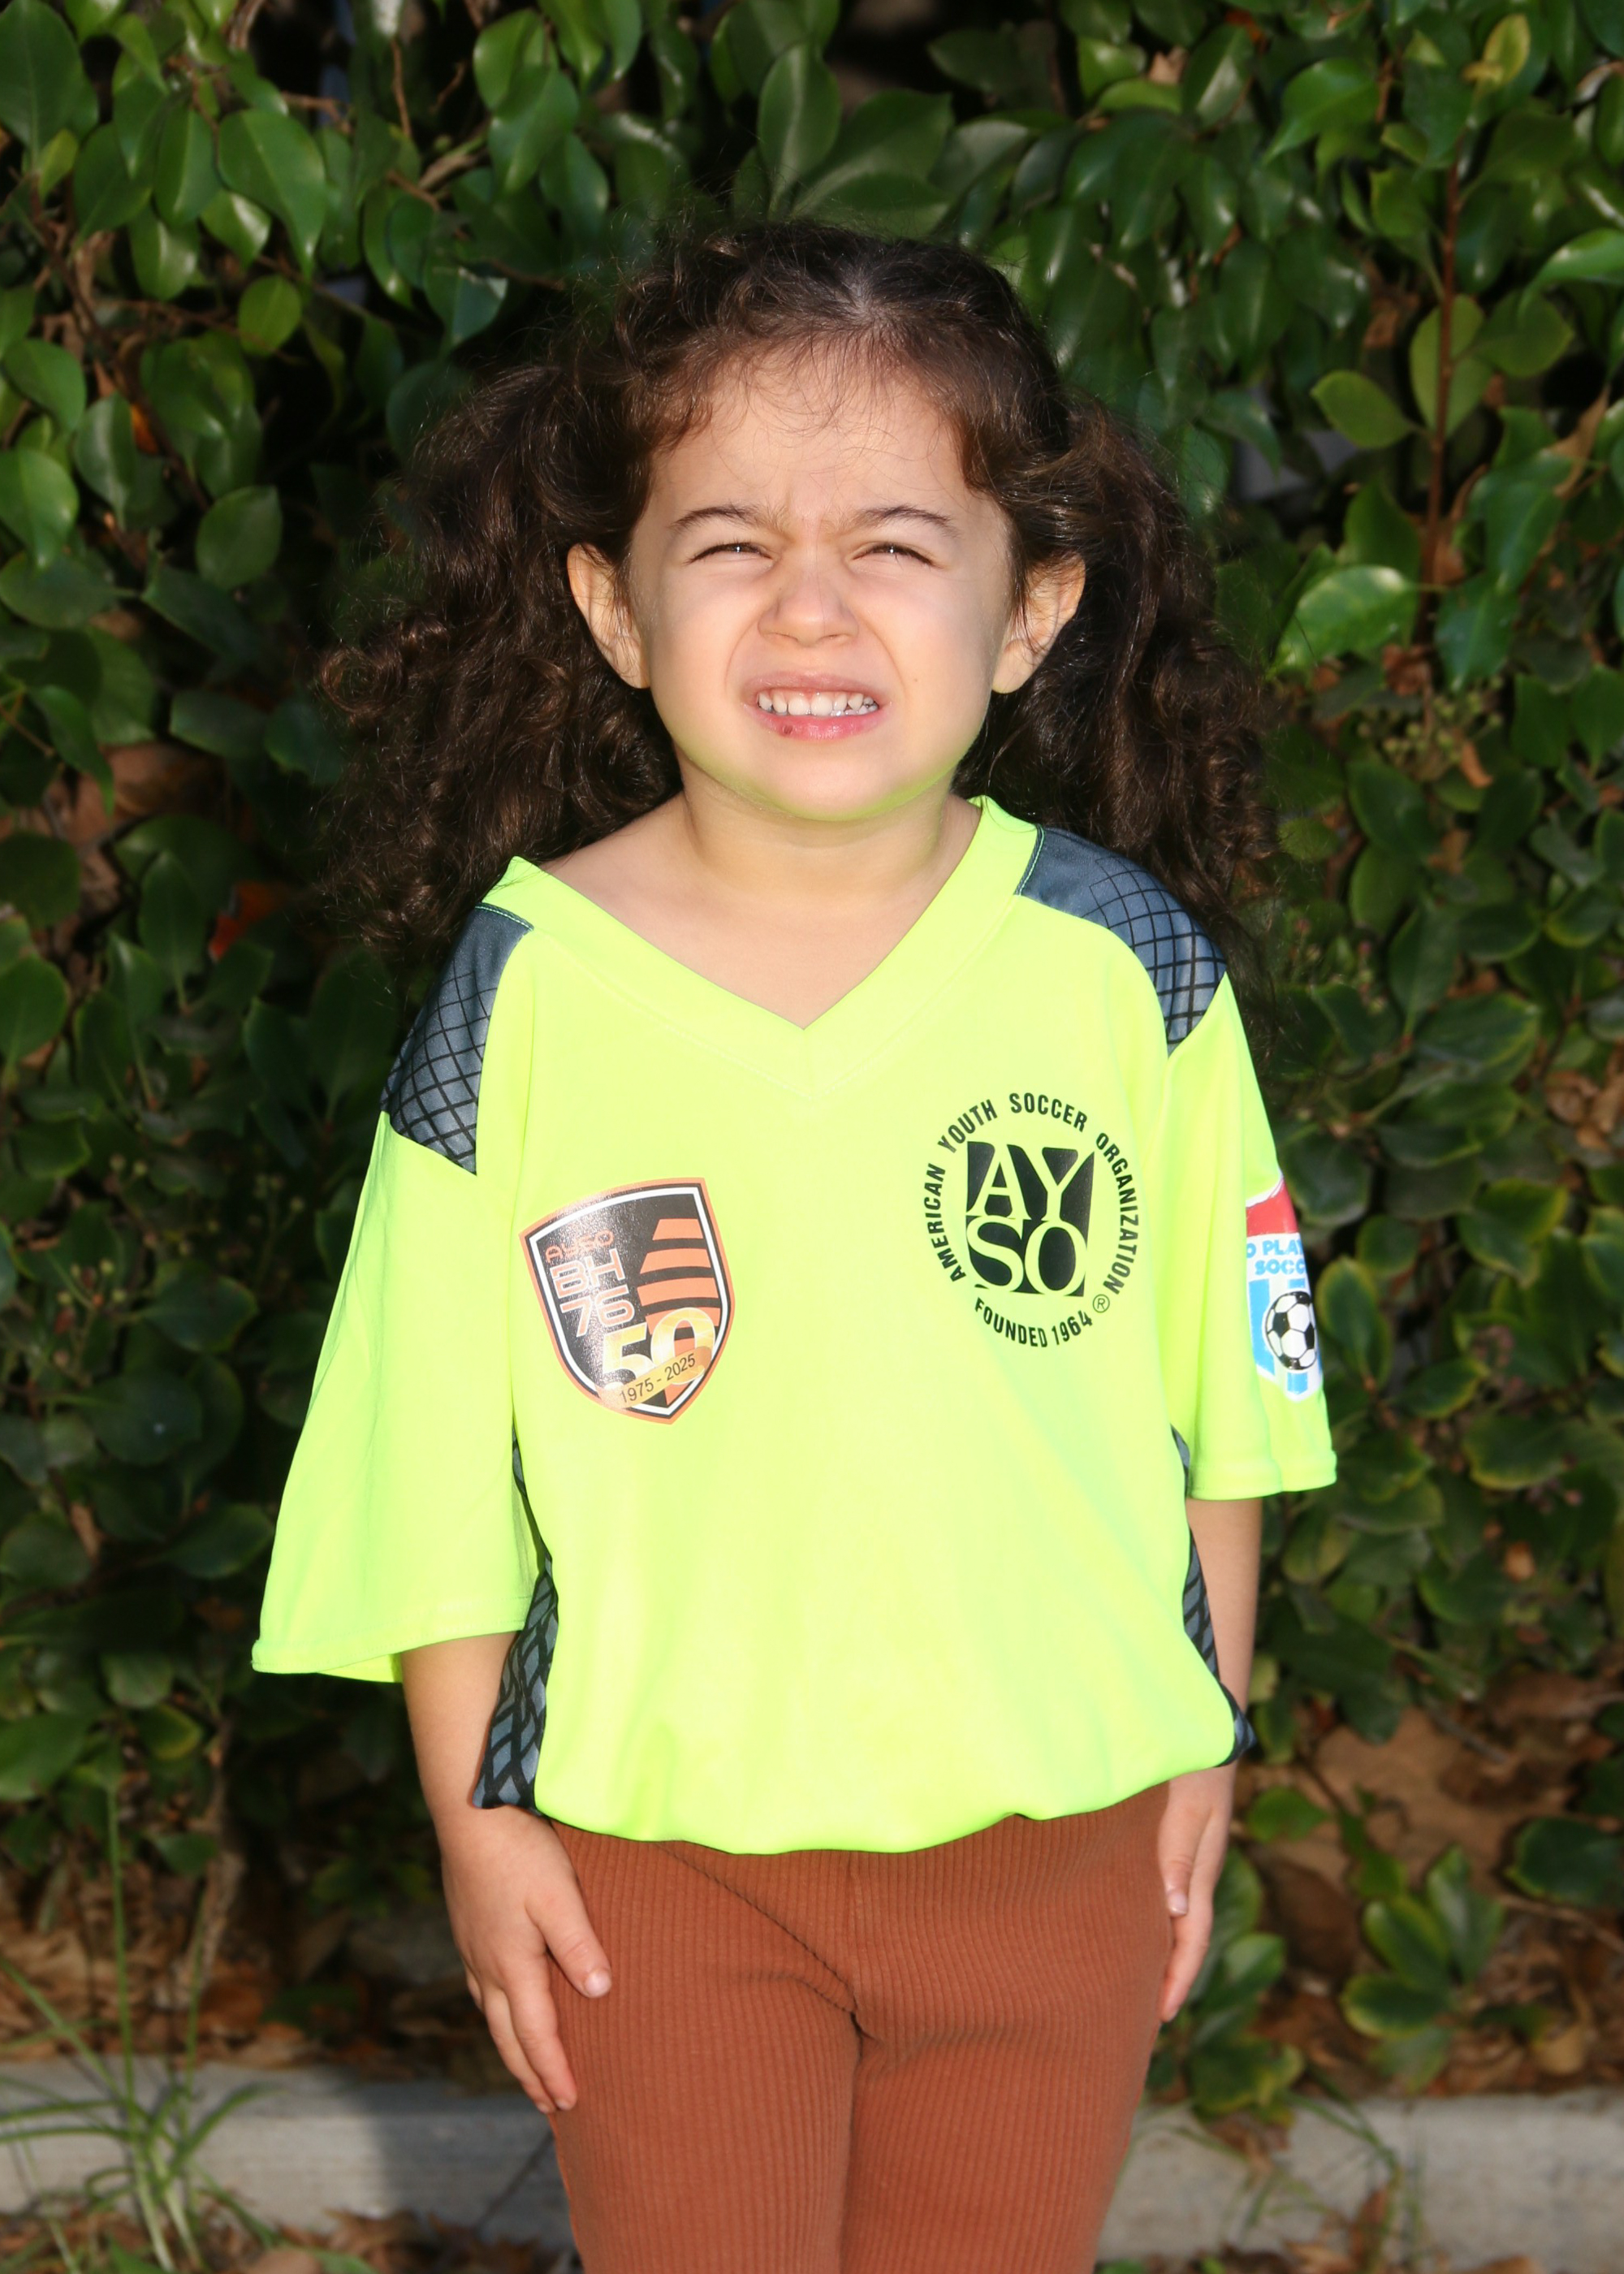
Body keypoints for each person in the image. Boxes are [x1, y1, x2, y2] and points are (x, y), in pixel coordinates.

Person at [254, 223, 1335, 2274]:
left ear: (1031, 611)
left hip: (1056, 1842)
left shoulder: (1128, 973)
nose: (811, 605)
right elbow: (424, 1474)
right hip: (656, 1863)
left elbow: (1228, 1408)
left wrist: (1208, 1732)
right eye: (732, 542)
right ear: (613, 605)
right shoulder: (523, 997)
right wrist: (478, 1825)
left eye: (896, 545)